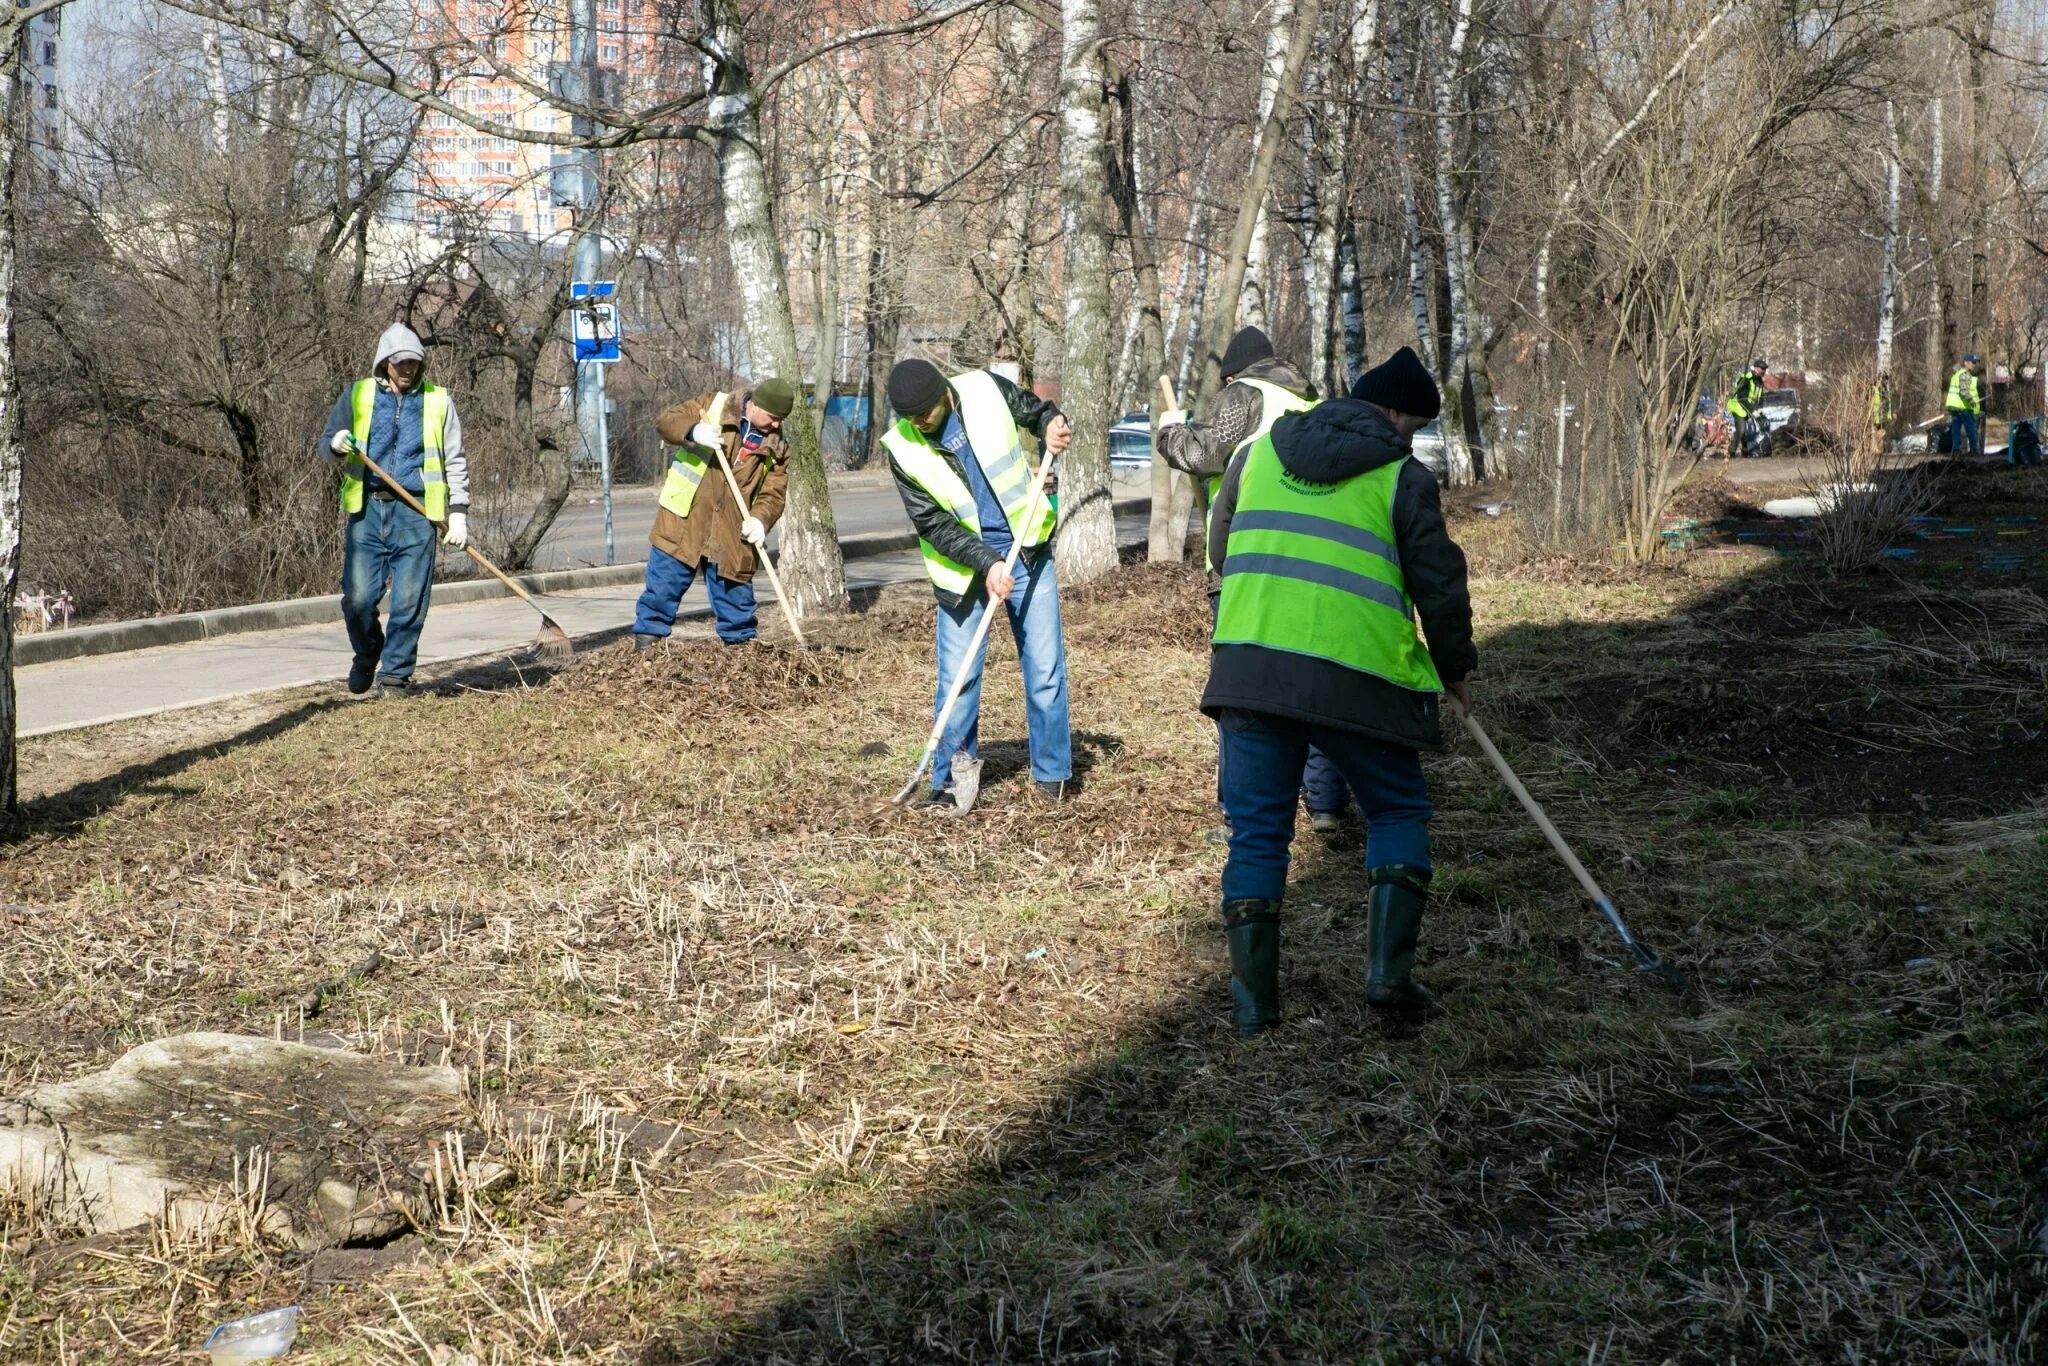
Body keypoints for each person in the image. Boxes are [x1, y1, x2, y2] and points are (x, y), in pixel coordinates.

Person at [1201, 345, 1476, 1035]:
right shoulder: (1401, 477)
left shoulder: (1253, 457)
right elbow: (1439, 587)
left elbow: (1221, 552)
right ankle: (1388, 978)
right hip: (1360, 679)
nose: (1406, 438)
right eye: (1410, 425)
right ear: (1390, 413)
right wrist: (1455, 668)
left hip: (1251, 671)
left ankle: (1255, 1010)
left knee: (1258, 837)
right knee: (1397, 811)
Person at [1156, 326, 1352, 831]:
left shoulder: (1243, 394)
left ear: (1230, 374)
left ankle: (1240, 810)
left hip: (1247, 560)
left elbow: (1201, 456)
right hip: (1311, 561)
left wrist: (1169, 431)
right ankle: (1326, 803)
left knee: (1242, 692)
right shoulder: (1309, 400)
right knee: (1313, 680)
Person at [881, 358, 1074, 806]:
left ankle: (1052, 775)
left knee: (1044, 670)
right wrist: (986, 564)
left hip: (1027, 548)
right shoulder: (901, 447)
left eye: (924, 415)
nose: (918, 425)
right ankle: (950, 783)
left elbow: (1035, 410)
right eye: (909, 419)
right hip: (964, 570)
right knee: (958, 680)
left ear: (945, 393)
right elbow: (933, 524)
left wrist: (1050, 422)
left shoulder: (986, 389)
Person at [321, 323, 469, 699]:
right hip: (367, 511)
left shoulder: (438, 401)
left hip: (416, 513)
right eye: (401, 363)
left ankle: (395, 676)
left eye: (414, 364)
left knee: (408, 601)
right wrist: (337, 443)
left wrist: (458, 512)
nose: (408, 370)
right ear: (385, 363)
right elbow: (326, 442)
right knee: (357, 600)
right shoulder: (357, 395)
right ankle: (368, 652)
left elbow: (455, 459)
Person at [632, 378, 794, 648]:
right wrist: (693, 430)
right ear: (755, 406)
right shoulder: (712, 406)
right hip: (685, 520)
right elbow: (666, 421)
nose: (776, 425)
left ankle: (742, 660)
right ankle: (646, 649)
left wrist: (761, 520)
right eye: (773, 417)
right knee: (662, 590)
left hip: (732, 531)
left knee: (737, 606)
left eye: (781, 420)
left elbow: (773, 493)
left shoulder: (777, 447)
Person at [1946, 354, 1985, 459]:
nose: (1974, 365)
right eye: (1972, 362)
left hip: (1953, 406)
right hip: (1963, 407)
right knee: (1971, 427)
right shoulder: (1965, 374)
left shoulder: (1956, 374)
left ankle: (1956, 451)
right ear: (1966, 363)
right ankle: (1973, 450)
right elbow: (1964, 392)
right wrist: (1972, 402)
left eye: (1975, 362)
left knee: (1955, 428)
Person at [1727, 360, 1768, 458]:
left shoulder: (1759, 381)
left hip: (1748, 410)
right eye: (1763, 370)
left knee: (1748, 432)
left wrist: (1760, 410)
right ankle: (1730, 452)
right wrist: (1753, 410)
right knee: (1741, 430)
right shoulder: (1746, 378)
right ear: (1757, 368)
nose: (1764, 372)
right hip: (1739, 408)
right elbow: (1742, 397)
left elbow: (1761, 397)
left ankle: (1745, 453)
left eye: (1765, 370)